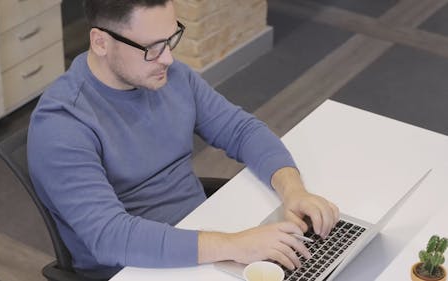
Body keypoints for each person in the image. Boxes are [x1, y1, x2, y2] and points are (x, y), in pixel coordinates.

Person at [27, 0, 340, 279]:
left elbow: (241, 130)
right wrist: (234, 244)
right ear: (101, 42)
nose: (168, 59)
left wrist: (293, 190)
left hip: (204, 236)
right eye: (152, 48)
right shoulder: (61, 125)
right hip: (134, 267)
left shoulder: (169, 77)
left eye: (171, 38)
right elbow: (111, 237)